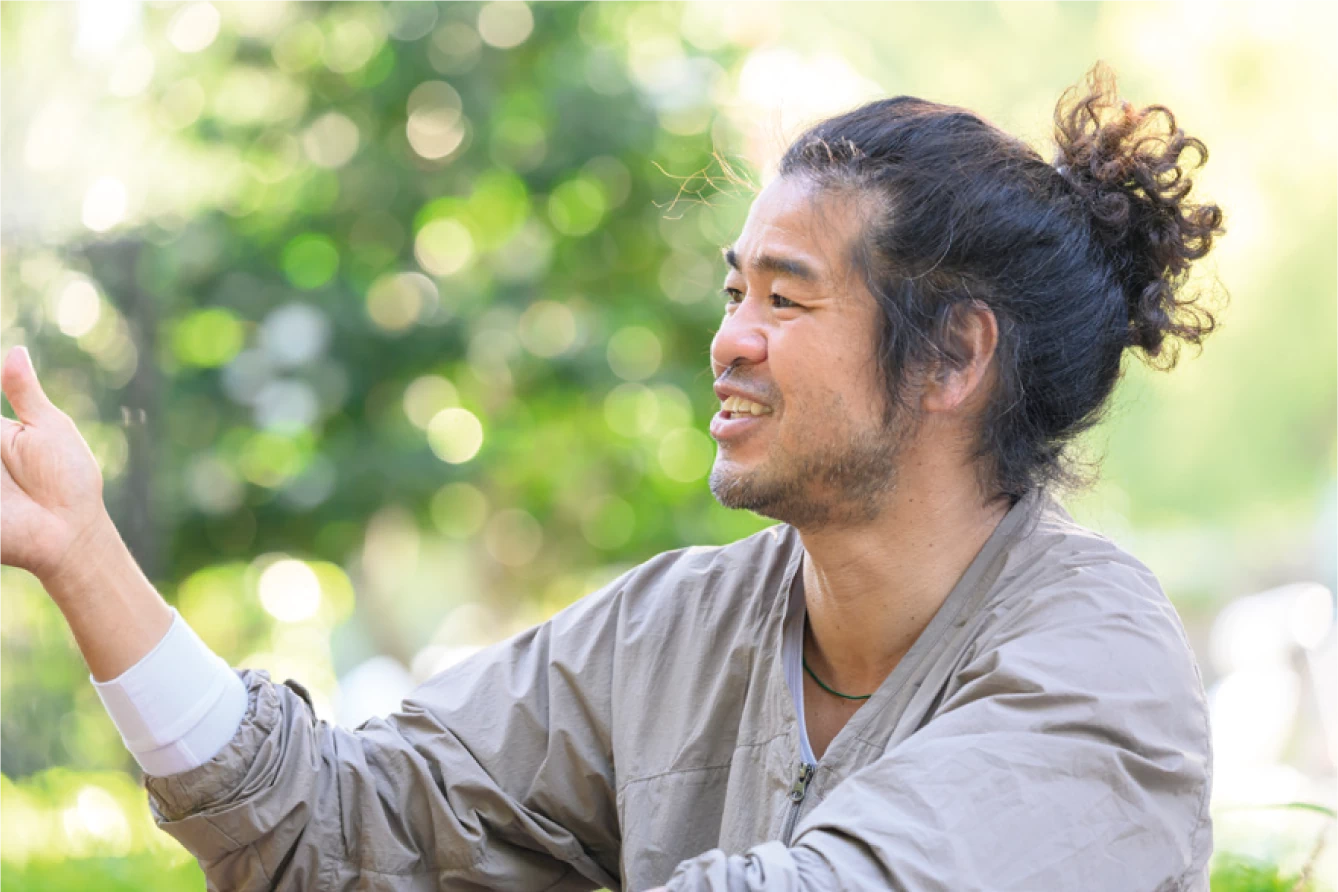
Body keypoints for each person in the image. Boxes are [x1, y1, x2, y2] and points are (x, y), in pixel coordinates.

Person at [2, 64, 1224, 890]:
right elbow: (341, 824)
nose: (731, 339)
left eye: (787, 299)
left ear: (954, 355)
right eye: (734, 290)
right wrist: (81, 551)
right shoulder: (676, 628)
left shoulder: (1098, 659)